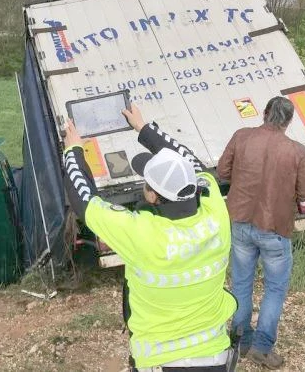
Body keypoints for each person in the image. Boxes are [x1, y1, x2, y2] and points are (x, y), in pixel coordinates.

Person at [61, 104, 237, 371]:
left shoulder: (141, 233)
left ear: (152, 196)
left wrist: (73, 150)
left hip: (161, 362)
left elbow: (84, 201)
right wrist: (145, 129)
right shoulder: (215, 213)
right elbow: (190, 161)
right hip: (216, 356)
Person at [216, 96, 305, 370]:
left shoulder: (241, 137)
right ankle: (261, 347)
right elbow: (304, 193)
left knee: (242, 283)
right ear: (289, 120)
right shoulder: (298, 152)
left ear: (265, 113)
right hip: (275, 228)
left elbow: (223, 171)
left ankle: (240, 342)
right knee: (275, 288)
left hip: (241, 221)